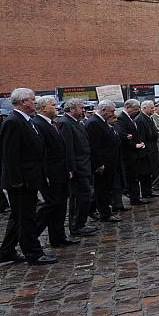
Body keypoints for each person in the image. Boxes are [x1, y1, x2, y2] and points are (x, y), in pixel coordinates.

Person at [0, 88, 58, 265]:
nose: (35, 102)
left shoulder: (27, 120)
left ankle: (6, 251)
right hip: (21, 182)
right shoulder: (13, 122)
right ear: (23, 101)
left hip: (31, 177)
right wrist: (17, 181)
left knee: (18, 217)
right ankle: (33, 253)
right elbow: (10, 155)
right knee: (26, 219)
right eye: (33, 99)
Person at [31, 96, 79, 248]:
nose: (56, 107)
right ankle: (30, 236)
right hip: (51, 174)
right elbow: (42, 152)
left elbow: (62, 149)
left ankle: (58, 237)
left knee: (60, 207)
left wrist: (68, 168)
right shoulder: (38, 124)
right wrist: (45, 174)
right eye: (53, 105)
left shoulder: (52, 123)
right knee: (51, 205)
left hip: (60, 171)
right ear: (44, 108)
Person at [58, 98, 97, 237]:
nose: (84, 110)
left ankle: (81, 223)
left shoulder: (75, 122)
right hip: (78, 167)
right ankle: (76, 226)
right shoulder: (65, 123)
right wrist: (71, 168)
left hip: (84, 165)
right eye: (81, 108)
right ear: (72, 109)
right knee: (80, 197)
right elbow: (67, 148)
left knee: (84, 196)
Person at [84, 100, 122, 224]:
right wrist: (99, 164)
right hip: (103, 164)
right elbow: (94, 146)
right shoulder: (94, 123)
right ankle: (105, 213)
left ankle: (94, 209)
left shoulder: (101, 121)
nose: (113, 114)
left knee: (105, 189)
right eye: (112, 111)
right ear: (103, 110)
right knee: (102, 190)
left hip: (109, 162)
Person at [115, 99, 151, 206]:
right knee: (132, 177)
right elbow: (122, 135)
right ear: (128, 107)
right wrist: (134, 144)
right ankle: (134, 198)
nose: (137, 111)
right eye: (135, 109)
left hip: (135, 153)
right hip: (128, 153)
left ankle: (136, 197)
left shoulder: (130, 118)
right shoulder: (121, 118)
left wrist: (139, 142)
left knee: (135, 176)